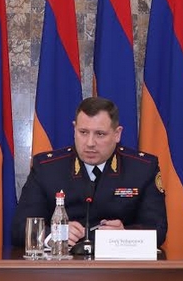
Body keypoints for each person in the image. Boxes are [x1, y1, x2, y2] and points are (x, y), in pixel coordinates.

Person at [11, 97, 167, 248]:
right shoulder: (47, 168)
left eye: (100, 134)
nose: (90, 143)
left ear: (117, 134)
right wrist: (53, 234)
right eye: (83, 132)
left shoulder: (142, 168)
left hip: (118, 263)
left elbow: (157, 230)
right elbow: (19, 228)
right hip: (62, 263)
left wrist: (124, 236)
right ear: (74, 130)